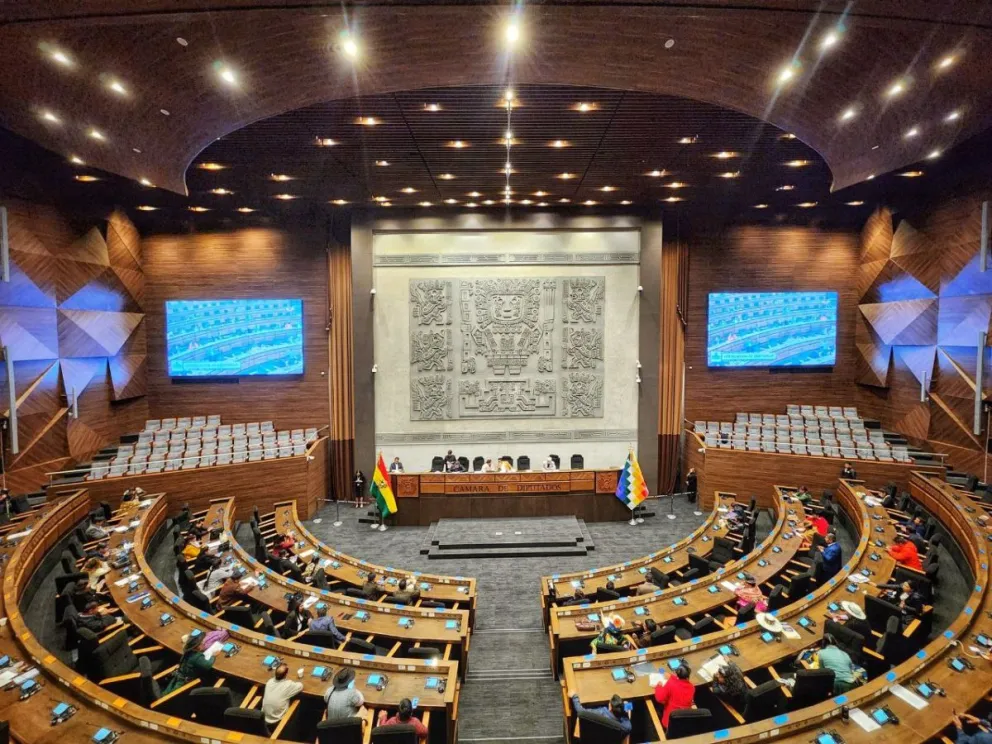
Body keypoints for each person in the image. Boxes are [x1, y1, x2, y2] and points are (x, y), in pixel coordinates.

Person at [653, 664, 695, 729]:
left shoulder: (671, 684)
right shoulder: (691, 687)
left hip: (669, 721)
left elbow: (659, 698)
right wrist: (671, 677)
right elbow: (680, 682)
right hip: (685, 719)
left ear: (676, 674)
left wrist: (658, 686)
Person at [262, 663, 304, 728]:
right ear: (286, 674)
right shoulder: (288, 685)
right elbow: (300, 686)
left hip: (264, 718)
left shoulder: (269, 682)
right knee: (300, 700)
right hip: (278, 721)